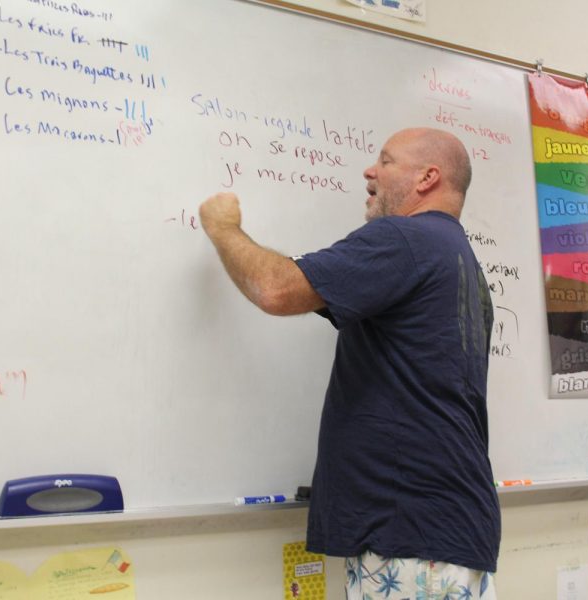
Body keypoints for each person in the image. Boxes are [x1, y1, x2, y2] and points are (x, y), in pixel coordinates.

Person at [200, 127, 500, 599]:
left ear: (427, 177)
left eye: (385, 160)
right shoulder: (454, 257)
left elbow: (276, 289)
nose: (369, 170)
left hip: (412, 536)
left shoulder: (405, 239)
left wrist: (223, 229)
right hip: (438, 534)